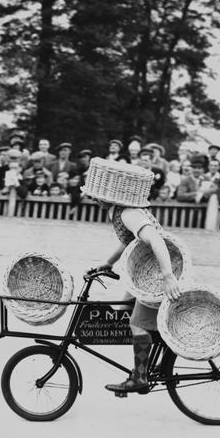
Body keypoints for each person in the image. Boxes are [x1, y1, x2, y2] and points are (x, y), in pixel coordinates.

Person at [83, 158, 181, 394]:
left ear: (108, 195)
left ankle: (140, 376)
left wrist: (168, 276)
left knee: (137, 324)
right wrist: (106, 264)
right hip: (146, 271)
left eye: (95, 195)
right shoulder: (118, 211)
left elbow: (155, 239)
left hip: (157, 274)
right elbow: (127, 242)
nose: (93, 199)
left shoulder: (129, 213)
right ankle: (151, 358)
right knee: (124, 310)